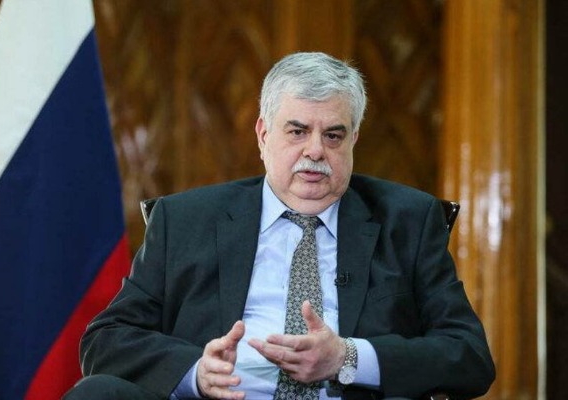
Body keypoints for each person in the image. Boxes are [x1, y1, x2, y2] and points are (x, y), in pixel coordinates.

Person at [65, 52, 495, 400]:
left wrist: (347, 358)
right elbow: (106, 339)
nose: (316, 150)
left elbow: (470, 355)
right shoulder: (185, 221)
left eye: (333, 135)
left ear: (354, 141)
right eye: (297, 131)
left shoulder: (407, 221)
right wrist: (195, 371)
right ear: (263, 134)